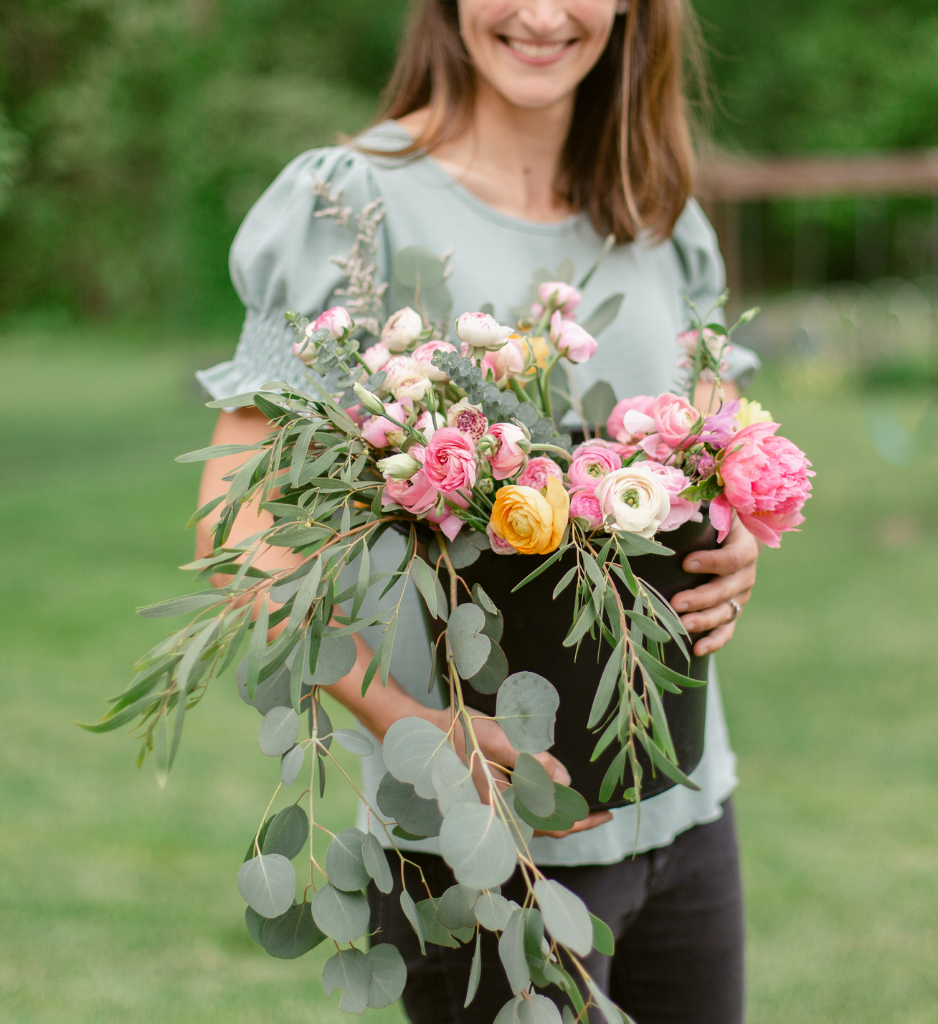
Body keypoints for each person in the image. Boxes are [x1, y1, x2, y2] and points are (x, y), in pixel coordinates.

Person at [195, 1, 761, 1021]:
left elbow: (717, 455)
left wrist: (740, 545)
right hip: (473, 853)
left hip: (684, 813)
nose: (541, 13)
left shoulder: (658, 213)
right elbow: (238, 537)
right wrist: (409, 724)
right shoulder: (346, 207)